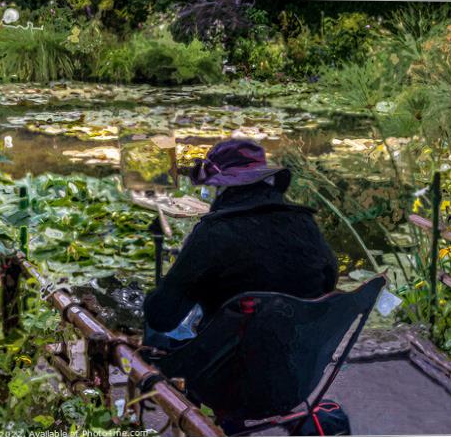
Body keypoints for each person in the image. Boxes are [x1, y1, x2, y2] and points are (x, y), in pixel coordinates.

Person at [142, 139, 338, 350]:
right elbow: (329, 280)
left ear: (222, 186)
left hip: (227, 363)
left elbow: (161, 318)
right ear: (265, 181)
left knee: (156, 330)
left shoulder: (215, 232)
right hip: (299, 359)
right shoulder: (304, 222)